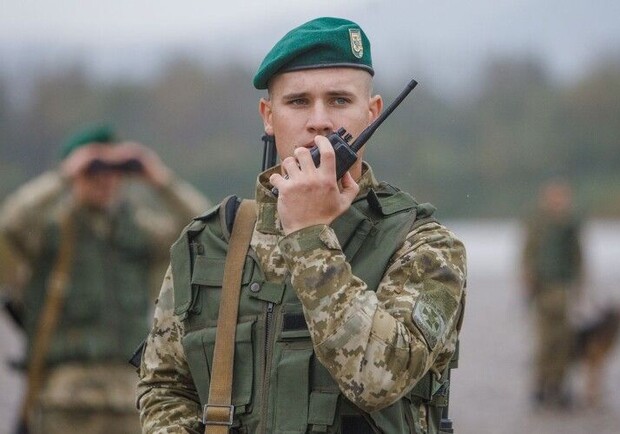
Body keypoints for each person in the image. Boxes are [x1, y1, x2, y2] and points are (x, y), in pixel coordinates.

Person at [137, 17, 467, 434]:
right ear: (268, 116)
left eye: (339, 100)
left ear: (372, 112)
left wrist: (309, 234)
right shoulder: (210, 242)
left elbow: (379, 380)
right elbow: (165, 387)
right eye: (297, 102)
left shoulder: (423, 246)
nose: (320, 121)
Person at [0, 123, 210, 434]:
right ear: (76, 175)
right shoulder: (52, 232)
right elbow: (11, 223)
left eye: (114, 172)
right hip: (65, 399)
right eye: (94, 171)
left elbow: (202, 230)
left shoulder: (137, 231)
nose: (105, 180)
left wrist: (159, 179)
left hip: (128, 396)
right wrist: (62, 175)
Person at [521, 178, 583, 409]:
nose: (558, 201)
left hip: (563, 289)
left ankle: (558, 386)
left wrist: (580, 285)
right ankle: (541, 386)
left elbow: (577, 257)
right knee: (545, 341)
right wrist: (526, 280)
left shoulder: (570, 224)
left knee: (564, 341)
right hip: (543, 290)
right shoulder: (538, 222)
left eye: (562, 197)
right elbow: (528, 253)